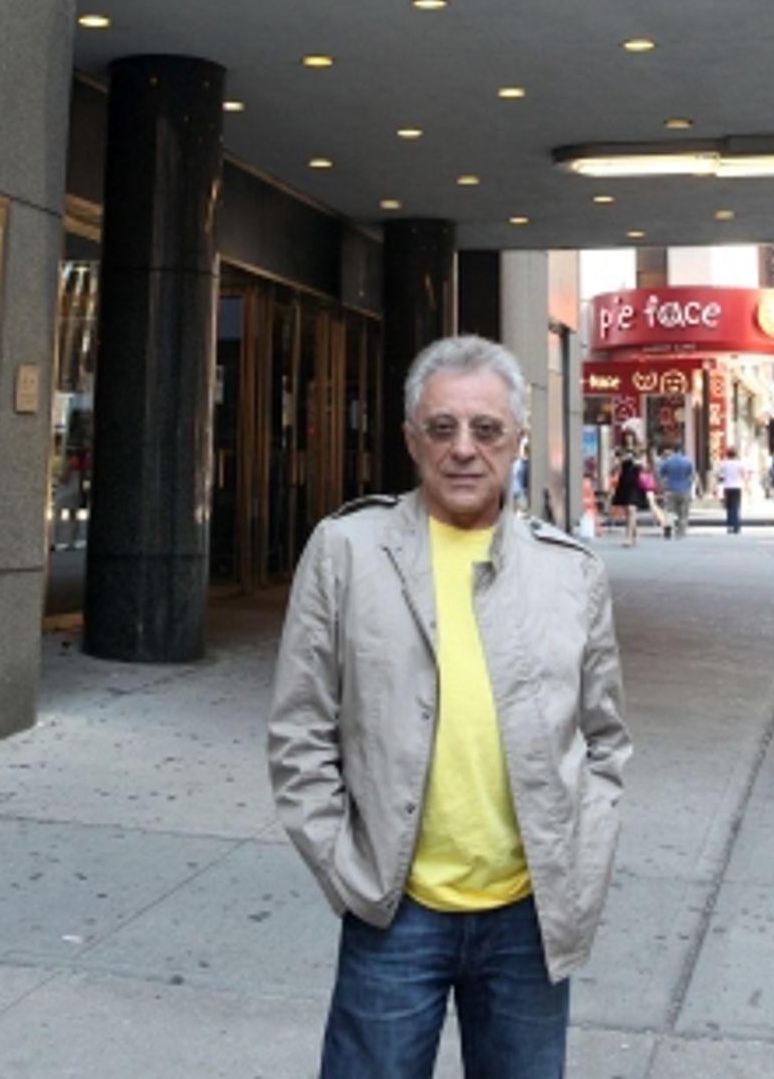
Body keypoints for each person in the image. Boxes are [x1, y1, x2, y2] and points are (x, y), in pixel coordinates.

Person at [267, 334, 630, 1079]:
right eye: (442, 428)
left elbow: (605, 742)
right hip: (393, 912)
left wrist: (581, 868)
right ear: (411, 439)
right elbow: (300, 730)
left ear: (518, 440)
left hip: (529, 919)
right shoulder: (346, 551)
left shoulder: (574, 574)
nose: (464, 449)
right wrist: (346, 870)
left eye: (487, 429)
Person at [657, 443, 696, 538]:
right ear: (682, 450)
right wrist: (689, 486)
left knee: (669, 511)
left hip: (670, 489)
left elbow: (661, 474)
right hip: (684, 490)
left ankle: (668, 528)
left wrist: (663, 485)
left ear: (673, 450)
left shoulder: (667, 461)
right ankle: (680, 532)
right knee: (683, 512)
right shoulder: (688, 461)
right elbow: (692, 476)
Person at [610, 442, 645, 547]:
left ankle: (628, 537)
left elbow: (644, 467)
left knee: (631, 509)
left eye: (631, 437)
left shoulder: (639, 450)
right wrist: (621, 460)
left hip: (635, 484)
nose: (629, 439)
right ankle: (635, 536)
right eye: (626, 437)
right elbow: (614, 469)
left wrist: (637, 461)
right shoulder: (621, 451)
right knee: (628, 511)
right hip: (624, 483)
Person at [719, 446, 745, 533]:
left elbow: (721, 476)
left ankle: (729, 526)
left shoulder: (724, 463)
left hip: (728, 487)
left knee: (729, 507)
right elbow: (743, 474)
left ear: (727, 454)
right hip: (737, 486)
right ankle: (737, 526)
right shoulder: (740, 463)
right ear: (735, 454)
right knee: (736, 506)